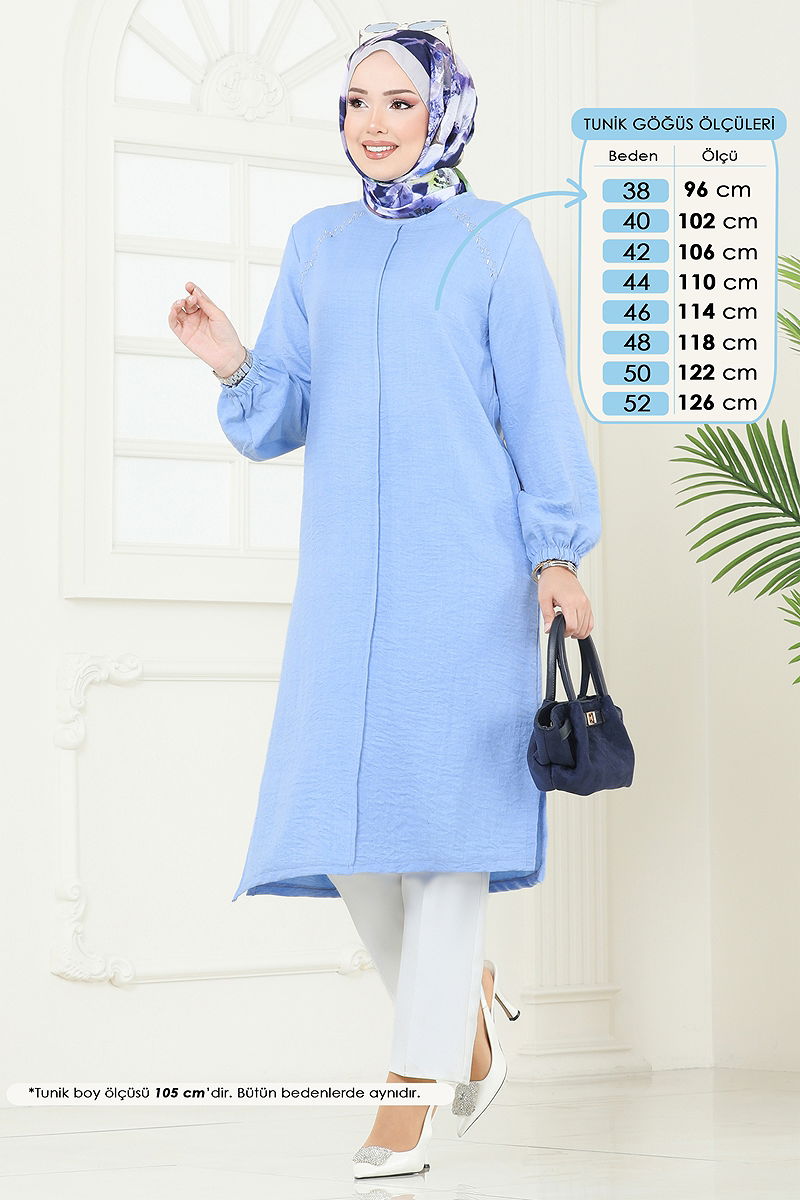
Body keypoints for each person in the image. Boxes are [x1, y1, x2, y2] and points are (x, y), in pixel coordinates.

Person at [168, 23, 601, 1181]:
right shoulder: (316, 243)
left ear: (441, 112)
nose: (372, 122)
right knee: (347, 831)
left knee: (446, 836)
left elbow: (535, 406)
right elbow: (279, 417)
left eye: (397, 102)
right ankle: (464, 1015)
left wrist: (556, 552)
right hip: (344, 579)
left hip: (467, 573)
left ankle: (409, 1095)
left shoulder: (495, 240)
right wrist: (230, 361)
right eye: (356, 101)